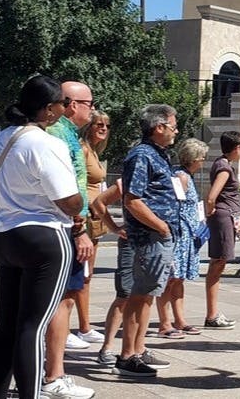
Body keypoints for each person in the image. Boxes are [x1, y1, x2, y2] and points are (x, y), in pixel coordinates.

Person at [0, 75, 87, 399]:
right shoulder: (47, 144)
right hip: (43, 235)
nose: (65, 109)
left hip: (4, 232)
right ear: (48, 109)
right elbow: (69, 200)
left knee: (6, 324)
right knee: (33, 326)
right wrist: (80, 204)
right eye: (62, 103)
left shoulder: (3, 137)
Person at [116, 104, 179, 378]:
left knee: (148, 295)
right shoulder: (142, 155)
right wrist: (161, 227)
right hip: (150, 236)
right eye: (173, 126)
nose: (177, 131)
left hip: (159, 236)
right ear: (159, 127)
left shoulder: (158, 154)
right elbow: (133, 200)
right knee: (140, 295)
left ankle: (138, 349)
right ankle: (127, 356)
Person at [43, 80, 96, 397]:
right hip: (65, 227)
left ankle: (47, 372)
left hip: (61, 225)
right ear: (72, 104)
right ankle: (54, 376)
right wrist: (80, 229)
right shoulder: (58, 135)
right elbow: (66, 188)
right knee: (61, 301)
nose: (93, 109)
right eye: (90, 103)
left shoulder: (62, 134)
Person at [156, 137, 209, 338]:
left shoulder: (187, 176)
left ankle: (180, 320)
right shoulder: (180, 177)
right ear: (193, 158)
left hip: (188, 236)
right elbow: (173, 207)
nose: (203, 161)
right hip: (179, 235)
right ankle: (165, 324)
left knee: (178, 280)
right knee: (170, 279)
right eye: (202, 157)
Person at [72, 109, 111, 346]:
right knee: (80, 274)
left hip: (94, 218)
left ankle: (85, 326)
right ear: (89, 126)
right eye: (99, 124)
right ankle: (79, 327)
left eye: (106, 125)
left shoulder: (94, 151)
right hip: (84, 218)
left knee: (87, 275)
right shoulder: (82, 149)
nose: (104, 128)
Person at [203, 130, 240, 330]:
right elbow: (211, 197)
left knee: (218, 263)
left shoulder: (223, 164)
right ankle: (212, 315)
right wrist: (211, 212)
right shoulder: (224, 168)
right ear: (236, 148)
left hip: (225, 217)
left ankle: (213, 314)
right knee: (218, 264)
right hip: (224, 218)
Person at [88, 178, 130, 367]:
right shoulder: (127, 179)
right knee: (124, 295)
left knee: (145, 297)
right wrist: (114, 228)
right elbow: (99, 202)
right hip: (132, 241)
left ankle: (137, 348)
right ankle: (107, 348)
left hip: (154, 243)